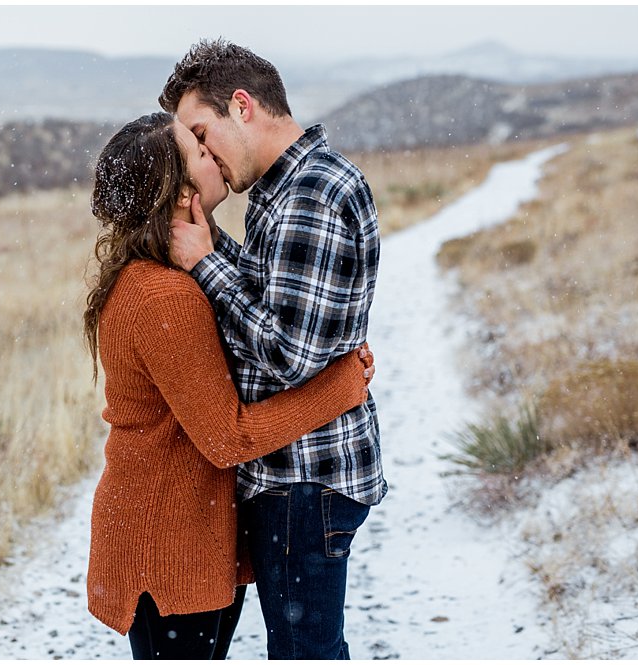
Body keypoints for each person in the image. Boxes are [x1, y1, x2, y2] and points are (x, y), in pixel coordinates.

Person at [83, 112, 375, 660]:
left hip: (182, 533)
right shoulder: (164, 297)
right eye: (196, 149)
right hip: (167, 540)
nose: (211, 151)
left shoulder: (164, 277)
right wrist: (339, 388)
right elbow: (228, 438)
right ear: (177, 193)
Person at [159, 39, 388, 660]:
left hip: (302, 479)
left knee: (304, 651)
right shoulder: (288, 191)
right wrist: (211, 246)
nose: (202, 156)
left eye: (203, 134)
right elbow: (270, 298)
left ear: (243, 106)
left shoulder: (309, 194)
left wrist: (205, 262)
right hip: (301, 477)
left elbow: (284, 352)